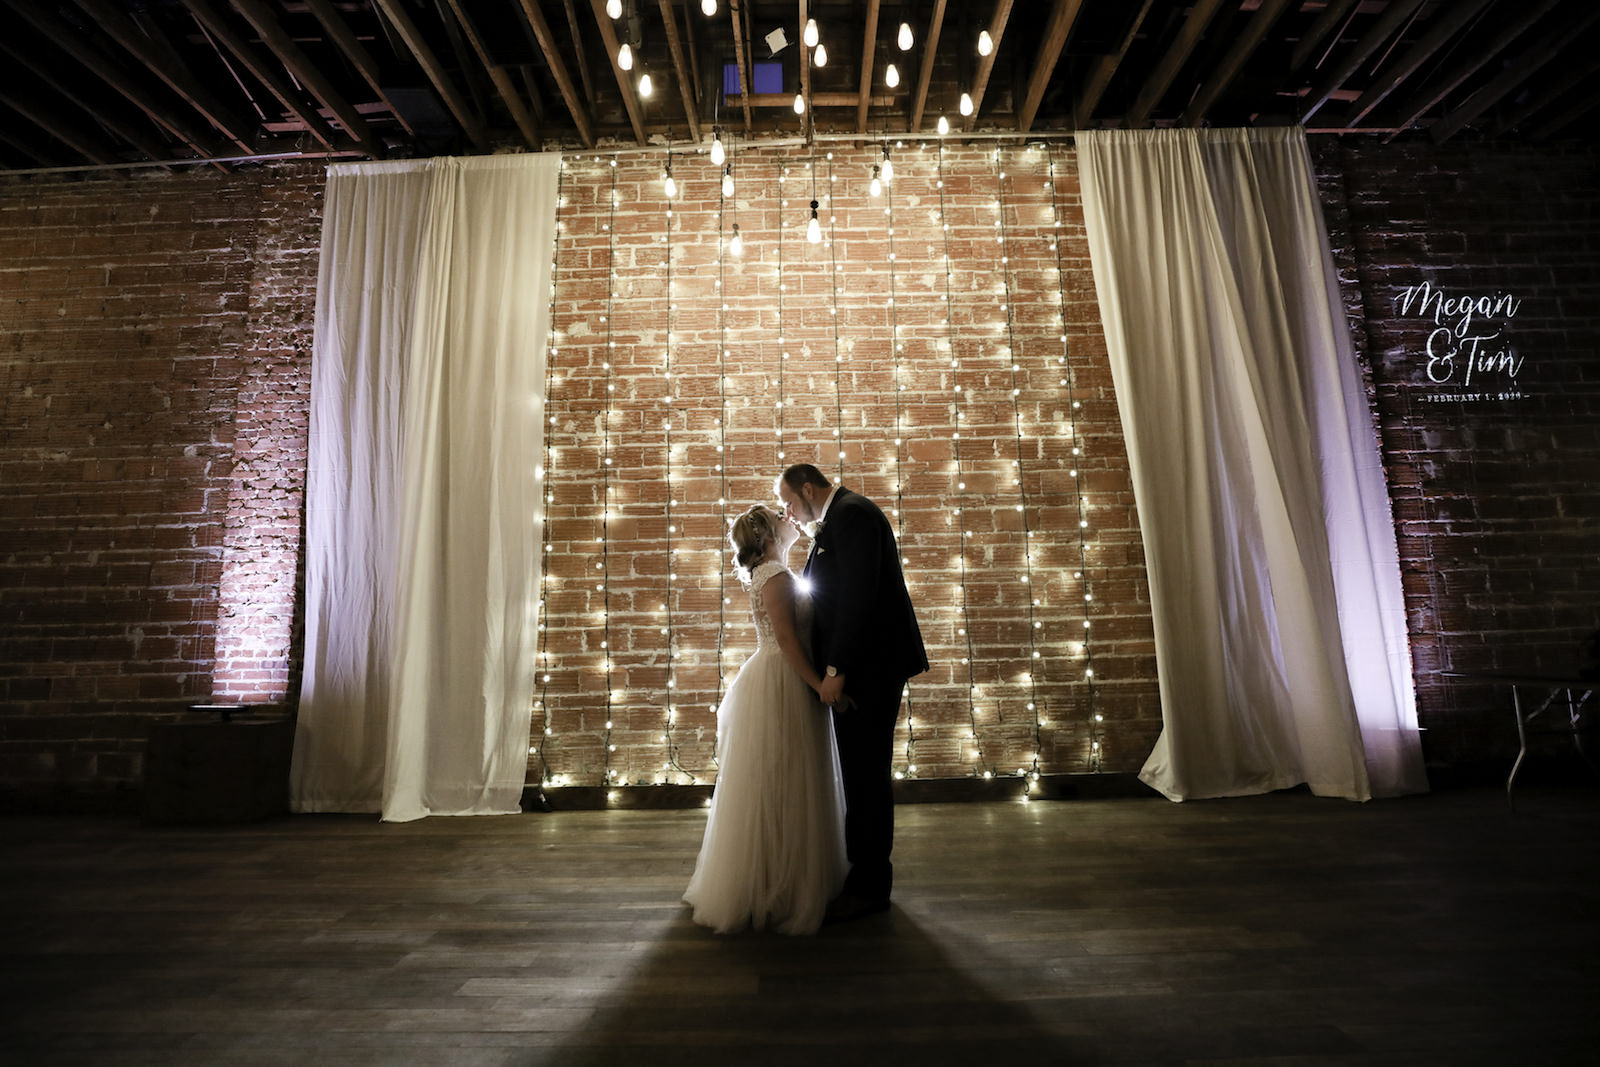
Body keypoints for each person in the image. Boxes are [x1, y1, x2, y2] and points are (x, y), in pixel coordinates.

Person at [682, 505, 847, 935]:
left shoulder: (774, 572)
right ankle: (777, 883)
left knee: (783, 779)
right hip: (783, 679)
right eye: (781, 518)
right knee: (783, 779)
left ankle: (781, 875)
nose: (790, 520)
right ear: (770, 535)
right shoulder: (775, 577)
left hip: (780, 675)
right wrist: (818, 684)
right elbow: (788, 641)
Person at [775, 463, 928, 921]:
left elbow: (858, 599)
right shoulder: (841, 517)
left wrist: (837, 669)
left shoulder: (854, 515)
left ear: (807, 489)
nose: (790, 513)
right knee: (860, 773)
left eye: (789, 502)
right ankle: (862, 875)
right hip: (863, 667)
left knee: (866, 776)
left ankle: (869, 886)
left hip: (870, 669)